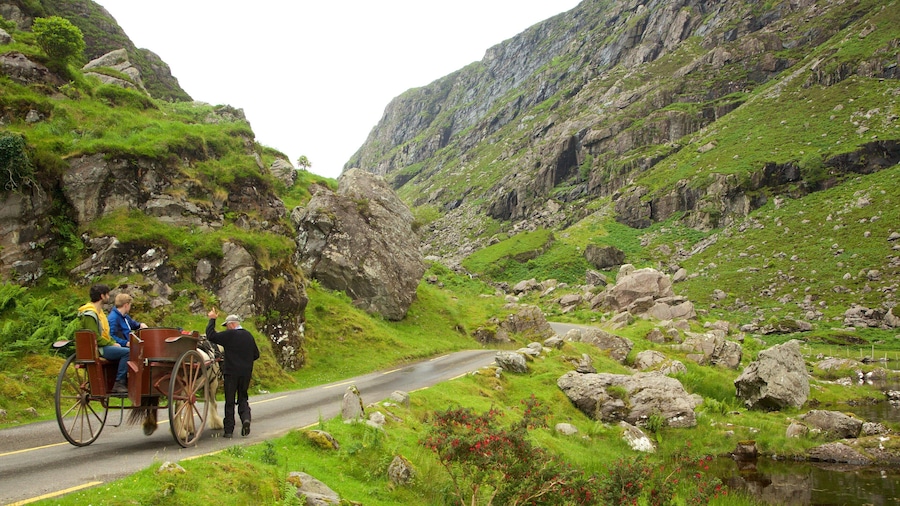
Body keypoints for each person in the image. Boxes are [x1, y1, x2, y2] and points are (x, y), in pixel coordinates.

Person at [206, 307, 260, 438]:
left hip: (231, 373)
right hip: (245, 373)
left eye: (226, 326)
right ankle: (246, 419)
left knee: (229, 400)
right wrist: (245, 361)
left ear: (231, 324)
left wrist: (212, 319)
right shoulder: (248, 336)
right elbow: (256, 355)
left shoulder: (229, 335)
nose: (226, 328)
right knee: (243, 398)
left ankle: (229, 430)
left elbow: (211, 335)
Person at [77, 284, 130, 394]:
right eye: (107, 295)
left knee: (123, 349)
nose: (109, 297)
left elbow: (104, 334)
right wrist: (111, 344)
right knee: (128, 353)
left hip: (102, 345)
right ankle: (119, 383)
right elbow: (95, 337)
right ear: (102, 296)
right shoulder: (90, 314)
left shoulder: (99, 313)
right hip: (99, 349)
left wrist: (113, 342)